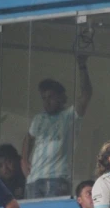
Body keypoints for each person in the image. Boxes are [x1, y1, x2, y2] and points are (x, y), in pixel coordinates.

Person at [22, 66, 93, 199]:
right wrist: (24, 160)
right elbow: (29, 138)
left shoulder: (70, 116)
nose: (47, 102)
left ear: (61, 98)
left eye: (51, 97)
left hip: (57, 179)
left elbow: (86, 94)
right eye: (44, 98)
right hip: (34, 180)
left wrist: (82, 66)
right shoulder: (39, 119)